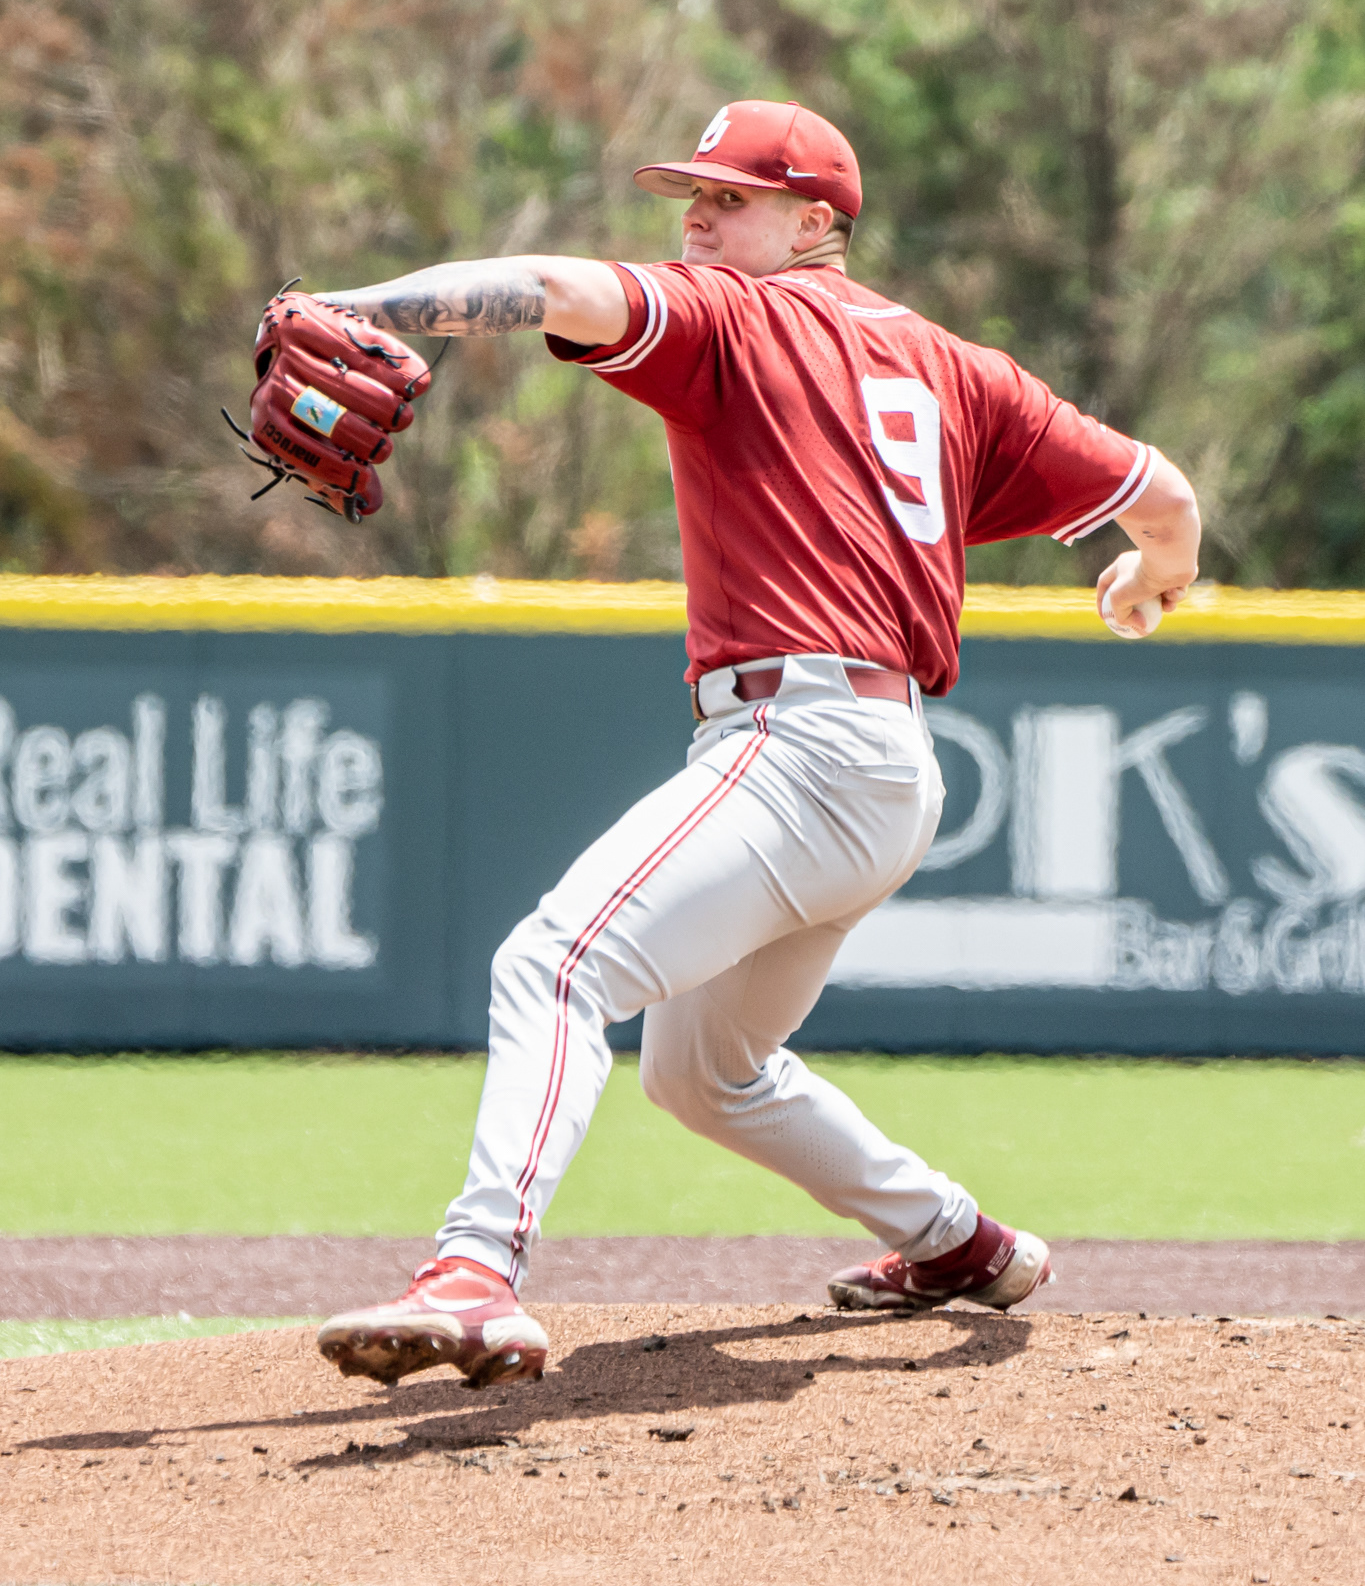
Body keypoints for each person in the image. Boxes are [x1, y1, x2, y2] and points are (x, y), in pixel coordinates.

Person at [312, 99, 1201, 1388]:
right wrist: (1154, 574)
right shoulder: (964, 371)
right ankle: (958, 1243)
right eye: (695, 192)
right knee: (704, 1067)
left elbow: (558, 285)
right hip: (889, 774)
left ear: (816, 221)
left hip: (799, 742)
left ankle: (475, 1270)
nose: (698, 215)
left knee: (552, 965)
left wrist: (361, 305)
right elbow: (1162, 493)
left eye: (731, 196)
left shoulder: (735, 313)